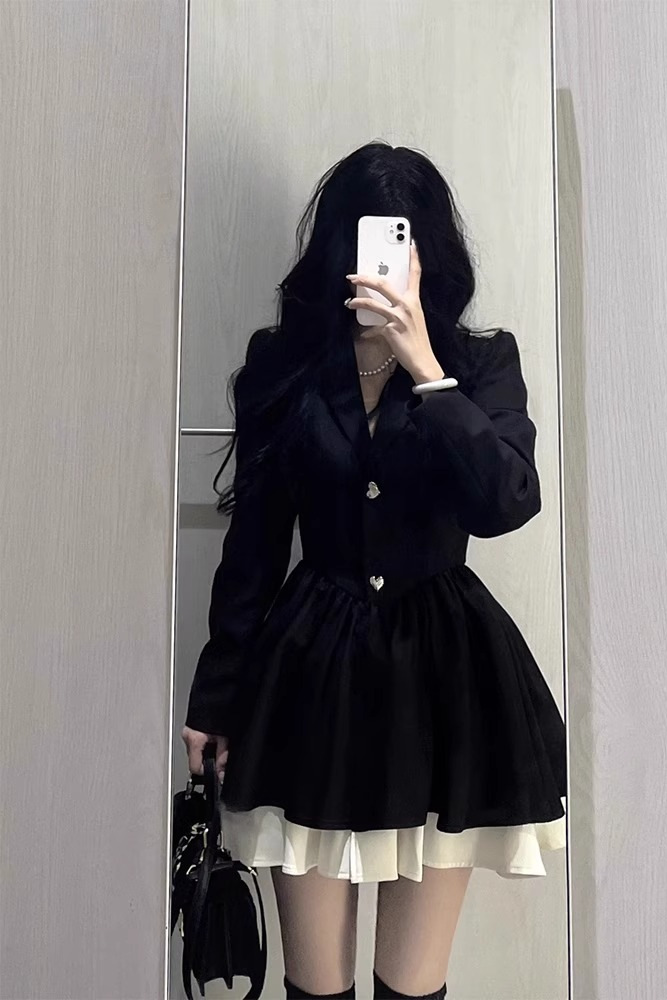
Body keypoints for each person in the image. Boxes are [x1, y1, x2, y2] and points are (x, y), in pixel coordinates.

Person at [181, 141, 566, 1000]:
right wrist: (214, 700)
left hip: (443, 682)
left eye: (401, 245)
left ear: (429, 255)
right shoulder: (283, 365)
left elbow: (507, 501)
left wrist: (427, 368)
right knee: (315, 988)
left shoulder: (480, 363)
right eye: (365, 243)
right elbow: (253, 547)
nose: (381, 266)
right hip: (309, 679)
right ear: (336, 251)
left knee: (411, 990)